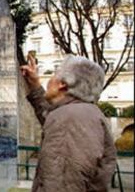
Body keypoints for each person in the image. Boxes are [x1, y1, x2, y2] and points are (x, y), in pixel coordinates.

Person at [20, 54, 117, 191]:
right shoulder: (82, 113)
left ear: (62, 84)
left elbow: (62, 183)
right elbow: (50, 116)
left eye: (54, 75)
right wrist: (35, 86)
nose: (50, 80)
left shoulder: (70, 119)